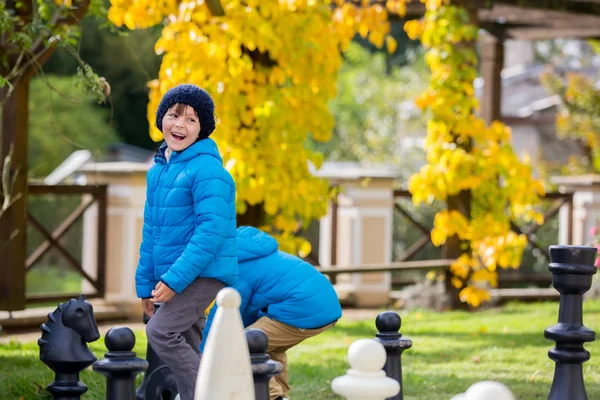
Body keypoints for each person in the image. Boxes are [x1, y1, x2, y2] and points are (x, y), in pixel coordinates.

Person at [136, 84, 238, 400]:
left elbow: (211, 232)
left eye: (192, 120)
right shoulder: (159, 172)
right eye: (173, 115)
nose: (180, 125)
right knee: (188, 342)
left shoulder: (208, 170)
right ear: (161, 120)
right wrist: (146, 285)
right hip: (175, 275)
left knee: (161, 332)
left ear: (202, 129)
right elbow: (151, 231)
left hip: (203, 272)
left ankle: (213, 395)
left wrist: (173, 280)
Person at [201, 226, 342, 400]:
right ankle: (281, 395)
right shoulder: (253, 252)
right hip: (324, 304)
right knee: (268, 348)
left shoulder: (237, 268)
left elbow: (227, 310)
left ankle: (274, 397)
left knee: (239, 347)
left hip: (303, 308)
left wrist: (206, 351)